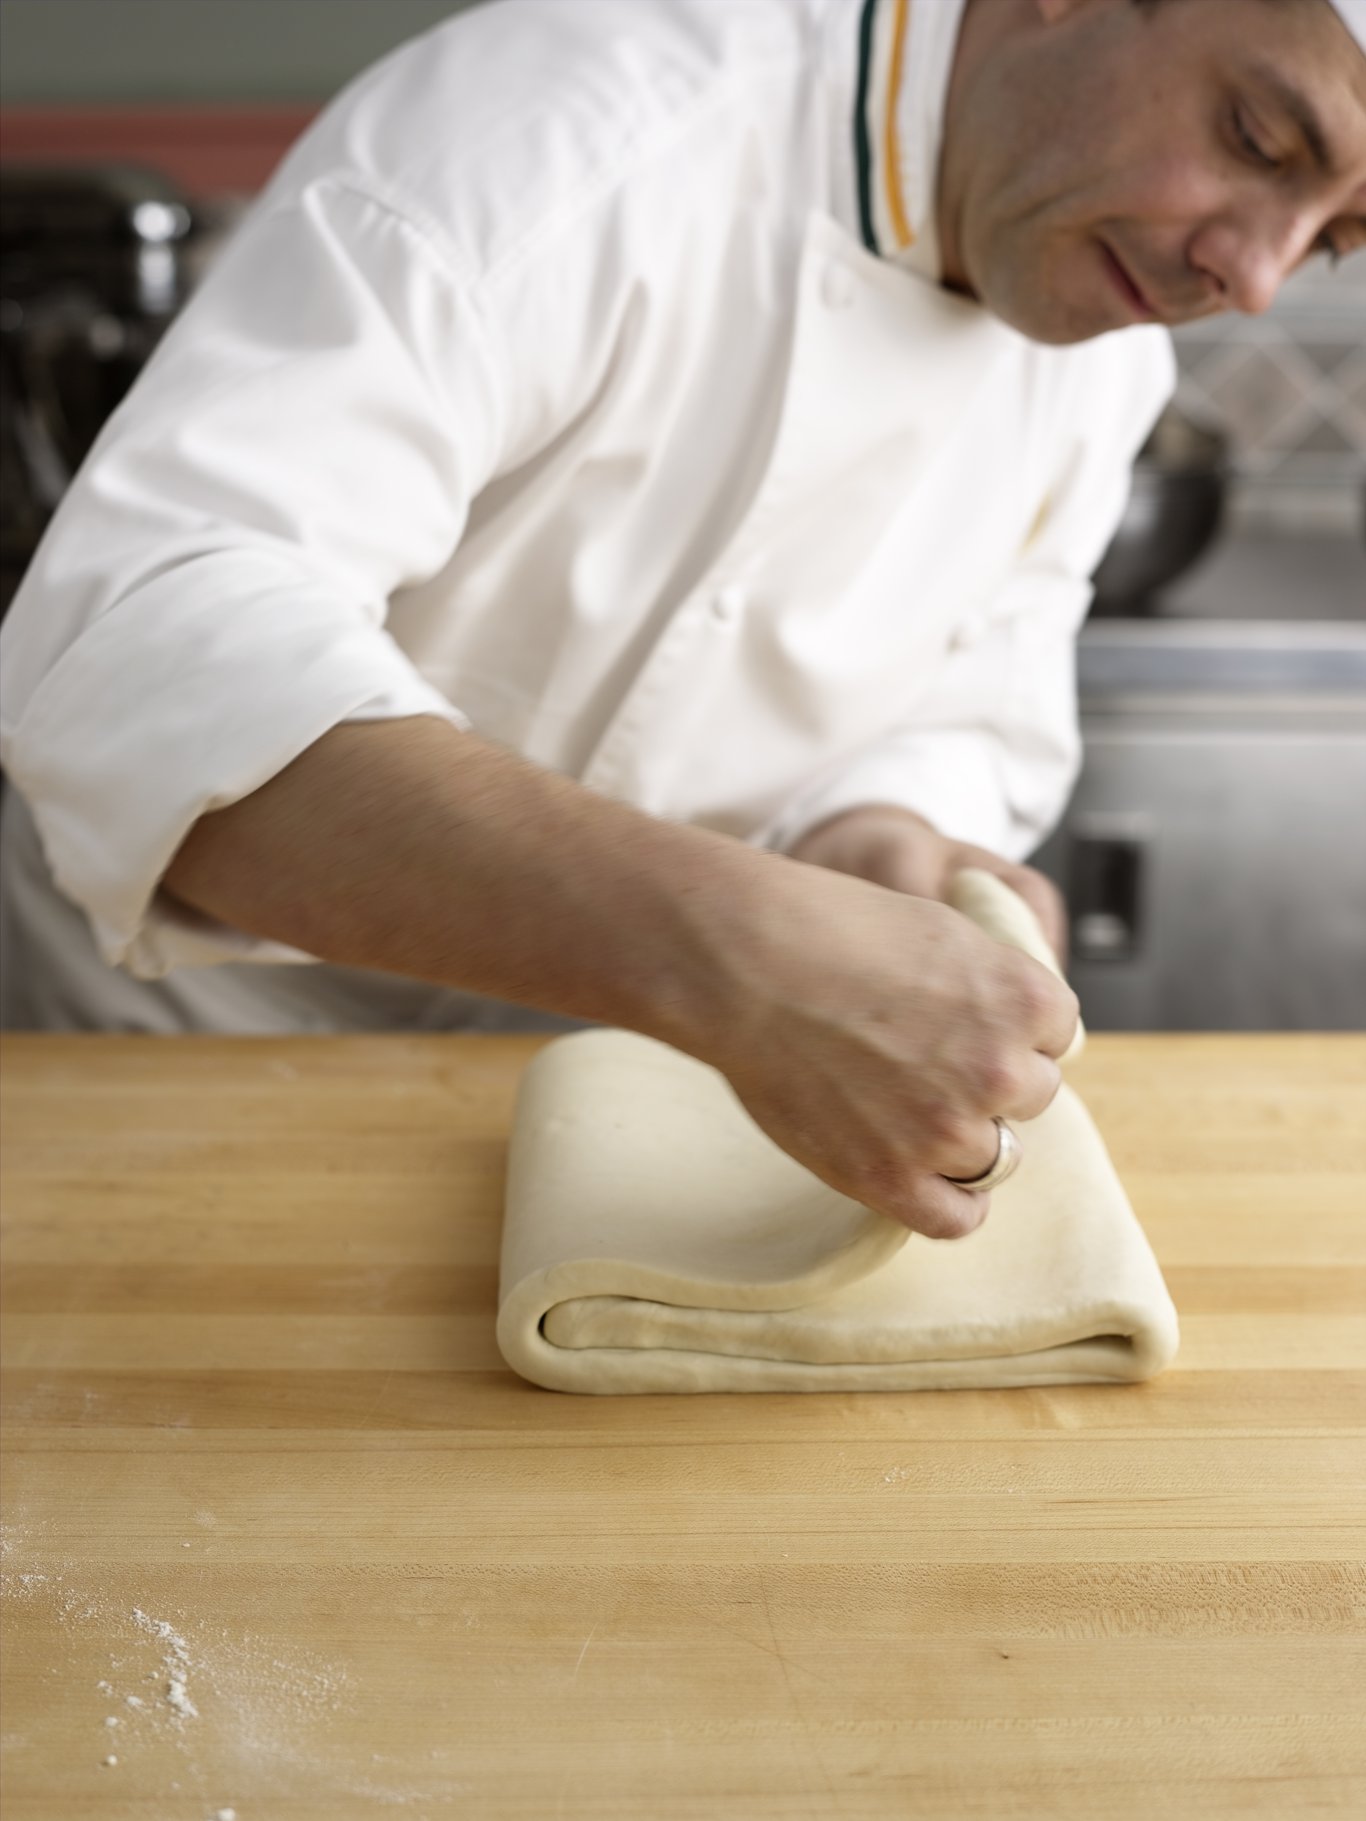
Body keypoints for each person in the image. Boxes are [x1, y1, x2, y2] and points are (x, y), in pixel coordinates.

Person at [2, 0, 1363, 1239]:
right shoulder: (569, 118)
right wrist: (739, 955)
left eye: (1335, 238)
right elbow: (147, 638)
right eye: (1254, 135)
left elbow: (971, 690)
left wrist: (876, 831)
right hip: (178, 1061)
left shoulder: (1097, 352)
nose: (1251, 277)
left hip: (611, 1115)